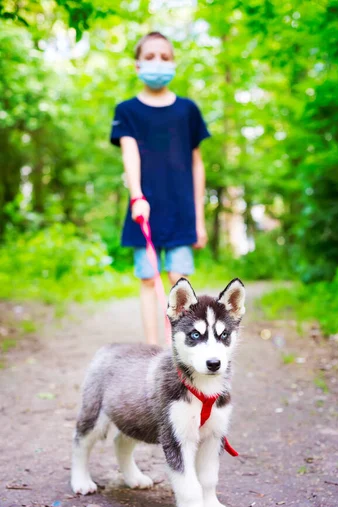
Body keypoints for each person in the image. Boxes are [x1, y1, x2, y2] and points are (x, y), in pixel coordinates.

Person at [110, 31, 210, 345]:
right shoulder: (127, 111)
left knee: (179, 280)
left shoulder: (188, 110)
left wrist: (199, 219)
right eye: (150, 57)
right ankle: (152, 352)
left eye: (165, 57)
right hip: (145, 209)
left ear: (174, 63)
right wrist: (137, 195)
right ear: (137, 66)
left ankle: (180, 351)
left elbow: (197, 164)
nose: (158, 62)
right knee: (148, 278)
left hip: (182, 210)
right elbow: (130, 153)